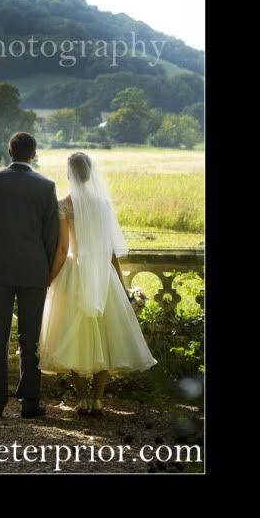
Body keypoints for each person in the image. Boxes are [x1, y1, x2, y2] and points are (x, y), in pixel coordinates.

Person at [38, 151, 157, 415]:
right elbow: (111, 250)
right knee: (107, 335)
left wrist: (50, 279)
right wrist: (122, 283)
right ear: (90, 174)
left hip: (75, 271)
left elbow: (62, 248)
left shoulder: (64, 205)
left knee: (69, 333)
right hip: (103, 274)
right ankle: (98, 399)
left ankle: (81, 399)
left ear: (70, 174)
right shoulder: (102, 205)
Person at [0, 131, 59, 419]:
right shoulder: (47, 186)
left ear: (9, 151)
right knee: (30, 338)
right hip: (34, 271)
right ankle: (29, 404)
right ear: (33, 153)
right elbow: (51, 236)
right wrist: (47, 272)